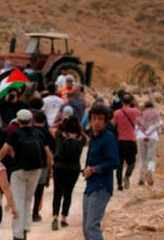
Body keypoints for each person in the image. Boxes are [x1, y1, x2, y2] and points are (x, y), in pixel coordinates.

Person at [0, 109, 53, 240]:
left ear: (18, 120)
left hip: (19, 170)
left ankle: (18, 233)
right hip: (36, 169)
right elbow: (48, 154)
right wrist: (49, 170)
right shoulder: (38, 133)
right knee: (28, 198)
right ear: (30, 120)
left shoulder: (15, 134)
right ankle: (26, 227)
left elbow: (3, 151)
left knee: (18, 200)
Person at [82, 104, 119, 240]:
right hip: (90, 186)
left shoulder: (109, 138)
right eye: (94, 118)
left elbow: (114, 162)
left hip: (101, 186)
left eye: (100, 119)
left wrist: (94, 169)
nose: (97, 122)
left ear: (105, 121)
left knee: (92, 226)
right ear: (90, 120)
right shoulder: (93, 137)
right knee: (86, 228)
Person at [50, 116, 86, 230]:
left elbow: (51, 128)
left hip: (59, 167)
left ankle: (55, 217)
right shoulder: (81, 138)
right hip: (73, 169)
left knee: (57, 193)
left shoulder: (60, 134)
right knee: (68, 193)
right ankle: (64, 218)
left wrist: (61, 122)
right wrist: (80, 130)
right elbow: (88, 139)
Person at [111, 93, 140, 190]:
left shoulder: (117, 113)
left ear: (122, 102)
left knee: (119, 163)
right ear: (131, 101)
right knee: (132, 162)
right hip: (131, 140)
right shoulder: (136, 111)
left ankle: (119, 185)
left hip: (120, 141)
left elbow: (112, 125)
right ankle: (127, 175)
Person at [32, 111, 54, 223]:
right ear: (44, 121)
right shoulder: (47, 133)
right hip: (42, 164)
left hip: (29, 164)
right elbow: (51, 151)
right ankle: (35, 213)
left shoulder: (30, 131)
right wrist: (50, 169)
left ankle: (24, 211)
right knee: (39, 190)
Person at [136, 101, 163, 186]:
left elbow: (136, 127)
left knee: (142, 158)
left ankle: (141, 178)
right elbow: (160, 125)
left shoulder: (141, 114)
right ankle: (150, 171)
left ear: (145, 106)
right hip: (152, 137)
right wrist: (158, 133)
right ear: (152, 106)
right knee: (151, 157)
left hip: (141, 137)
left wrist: (138, 135)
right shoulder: (155, 114)